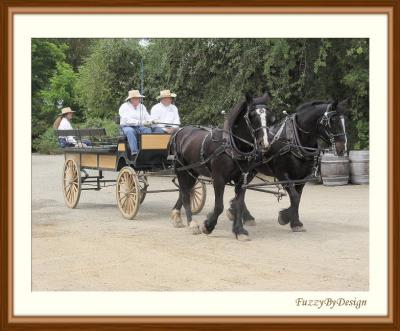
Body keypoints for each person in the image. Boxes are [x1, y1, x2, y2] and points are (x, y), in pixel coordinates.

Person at [119, 89, 152, 157]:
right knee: (130, 131)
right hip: (127, 126)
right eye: (135, 98)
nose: (137, 100)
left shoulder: (142, 106)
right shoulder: (124, 107)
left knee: (147, 130)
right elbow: (127, 120)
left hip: (139, 127)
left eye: (138, 98)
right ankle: (135, 152)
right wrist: (139, 122)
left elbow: (147, 116)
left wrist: (151, 121)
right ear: (131, 99)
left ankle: (147, 150)